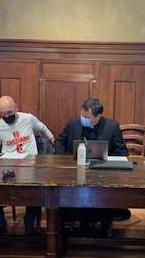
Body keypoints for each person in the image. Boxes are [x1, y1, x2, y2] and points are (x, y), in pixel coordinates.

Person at [55, 97, 128, 236]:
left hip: (102, 173)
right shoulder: (73, 123)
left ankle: (106, 224)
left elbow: (122, 152)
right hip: (74, 170)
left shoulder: (112, 127)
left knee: (108, 191)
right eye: (82, 114)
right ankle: (71, 224)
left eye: (86, 116)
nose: (83, 118)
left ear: (98, 117)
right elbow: (60, 141)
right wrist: (62, 159)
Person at [0, 95, 55, 236]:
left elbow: (43, 128)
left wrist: (54, 142)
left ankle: (29, 224)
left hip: (31, 165)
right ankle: (0, 224)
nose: (7, 116)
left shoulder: (28, 119)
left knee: (35, 192)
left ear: (16, 107)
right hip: (8, 167)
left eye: (10, 113)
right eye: (3, 113)